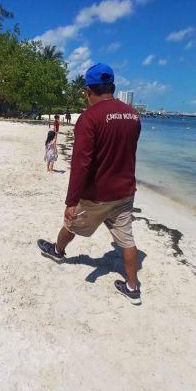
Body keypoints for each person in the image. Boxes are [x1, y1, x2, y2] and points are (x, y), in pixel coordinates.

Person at [37, 63, 143, 305]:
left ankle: (57, 251)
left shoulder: (89, 118)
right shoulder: (133, 115)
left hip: (98, 193)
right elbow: (127, 151)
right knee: (127, 240)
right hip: (125, 192)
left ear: (88, 90)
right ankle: (132, 287)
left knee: (71, 223)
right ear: (112, 87)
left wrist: (71, 201)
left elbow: (81, 164)